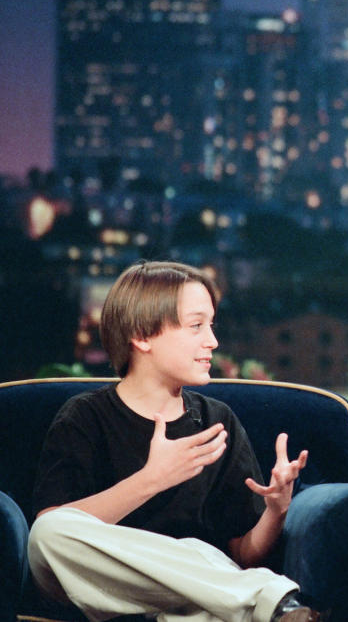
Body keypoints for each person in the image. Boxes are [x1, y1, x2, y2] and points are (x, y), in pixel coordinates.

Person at [28, 261, 324, 622]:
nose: (212, 342)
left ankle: (221, 604)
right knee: (48, 532)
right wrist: (152, 479)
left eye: (211, 326)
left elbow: (244, 554)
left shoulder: (217, 422)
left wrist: (277, 510)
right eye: (196, 326)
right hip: (99, 587)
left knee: (206, 565)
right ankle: (268, 602)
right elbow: (55, 530)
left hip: (195, 593)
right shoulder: (85, 416)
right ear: (142, 335)